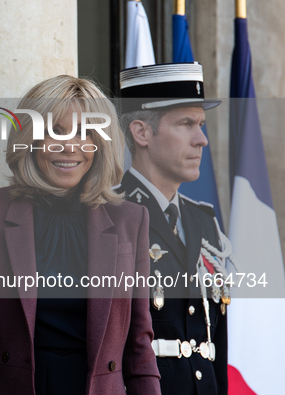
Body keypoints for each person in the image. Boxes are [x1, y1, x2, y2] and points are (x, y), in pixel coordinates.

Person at [0, 75, 161, 394]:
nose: (69, 146)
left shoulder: (130, 220)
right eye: (54, 131)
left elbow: (139, 341)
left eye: (84, 132)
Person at [117, 62, 233, 395]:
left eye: (200, 124)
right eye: (186, 124)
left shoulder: (204, 220)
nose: (202, 140)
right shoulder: (107, 215)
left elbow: (214, 341)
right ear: (142, 133)